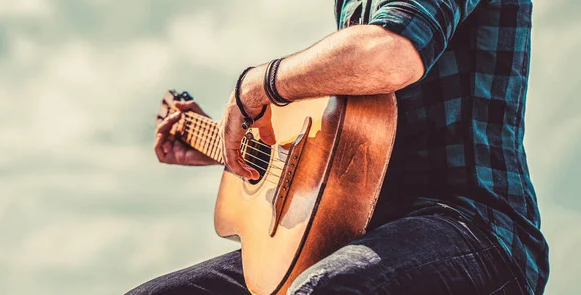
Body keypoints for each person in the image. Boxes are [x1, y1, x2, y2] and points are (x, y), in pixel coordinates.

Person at [127, 0, 549, 294]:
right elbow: (353, 145)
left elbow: (392, 54)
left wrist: (257, 85)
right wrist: (233, 148)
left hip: (476, 229)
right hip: (358, 232)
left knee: (327, 288)